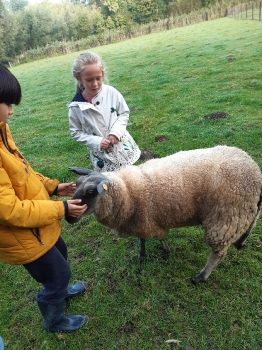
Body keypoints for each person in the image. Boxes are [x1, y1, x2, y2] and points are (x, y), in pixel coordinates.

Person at [0, 64, 88, 333]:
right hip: (20, 234)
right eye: (7, 103)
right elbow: (10, 211)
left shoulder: (1, 129)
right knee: (57, 273)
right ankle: (54, 317)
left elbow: (23, 172)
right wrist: (59, 208)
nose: (12, 110)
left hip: (35, 226)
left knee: (60, 252)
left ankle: (60, 289)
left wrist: (52, 186)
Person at [67, 51, 141, 172]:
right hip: (102, 156)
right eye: (89, 80)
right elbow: (75, 132)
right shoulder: (75, 107)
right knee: (110, 183)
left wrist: (115, 132)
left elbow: (124, 113)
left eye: (98, 78)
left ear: (102, 74)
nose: (95, 84)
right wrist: (96, 141)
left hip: (123, 148)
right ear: (79, 78)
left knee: (132, 178)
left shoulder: (111, 92)